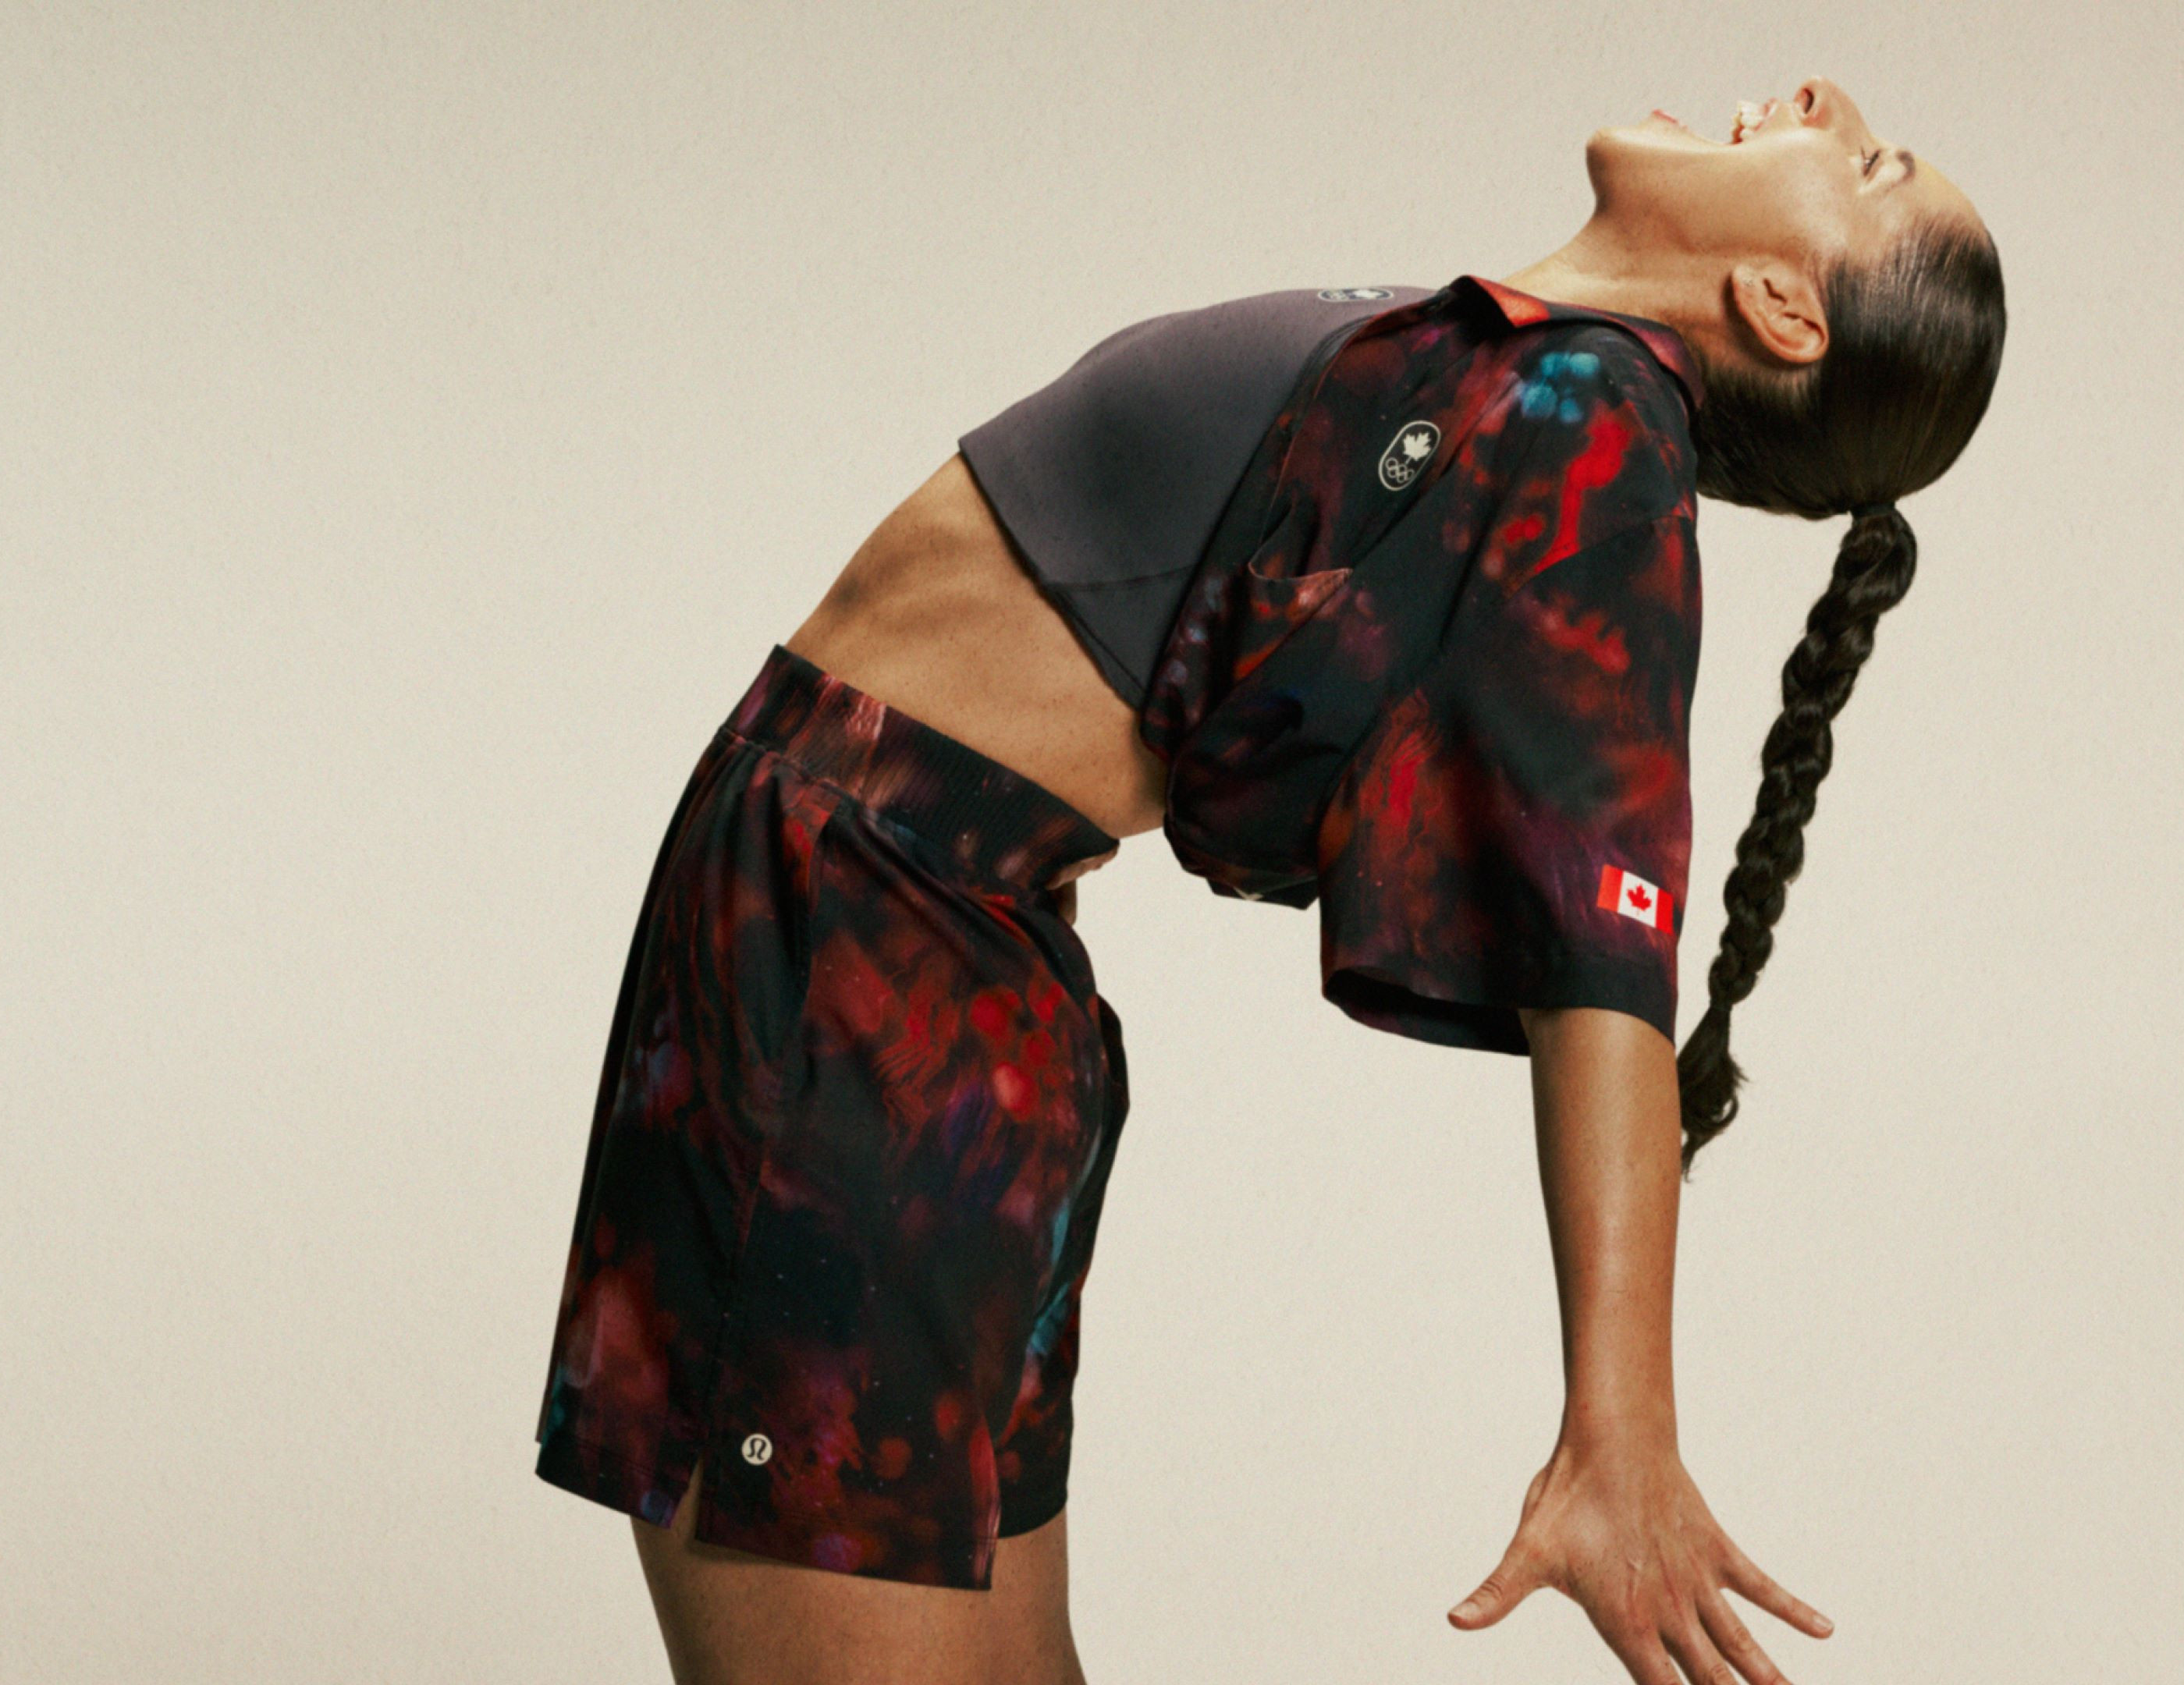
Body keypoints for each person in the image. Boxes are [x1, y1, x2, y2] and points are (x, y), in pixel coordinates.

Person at [533, 74, 2004, 1685]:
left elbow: (1605, 942)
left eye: (1865, 160)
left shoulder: (1597, 426)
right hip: (932, 996)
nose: (1821, 100)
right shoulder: (1527, 376)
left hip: (857, 994)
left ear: (1783, 307)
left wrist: (1622, 1434)